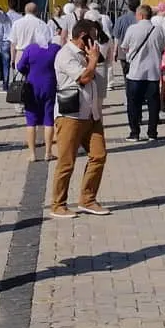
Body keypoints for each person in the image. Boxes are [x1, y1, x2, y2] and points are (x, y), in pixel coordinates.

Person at [49, 19, 109, 219]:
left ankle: (88, 199)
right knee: (67, 161)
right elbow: (84, 78)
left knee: (99, 155)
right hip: (71, 116)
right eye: (93, 36)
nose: (96, 41)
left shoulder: (86, 53)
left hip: (92, 113)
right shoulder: (65, 55)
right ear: (83, 36)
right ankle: (58, 204)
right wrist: (92, 60)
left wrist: (94, 57)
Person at [118, 4, 165, 142]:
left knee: (134, 103)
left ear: (141, 15)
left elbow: (124, 47)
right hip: (153, 72)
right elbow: (163, 47)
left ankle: (134, 132)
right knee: (153, 103)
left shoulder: (132, 29)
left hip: (136, 72)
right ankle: (152, 132)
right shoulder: (158, 30)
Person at [16, 27, 62, 162]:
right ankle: (48, 152)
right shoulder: (55, 48)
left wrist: (28, 69)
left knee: (31, 121)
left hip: (32, 86)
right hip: (49, 85)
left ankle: (32, 154)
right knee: (49, 119)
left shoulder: (31, 49)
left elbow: (19, 67)